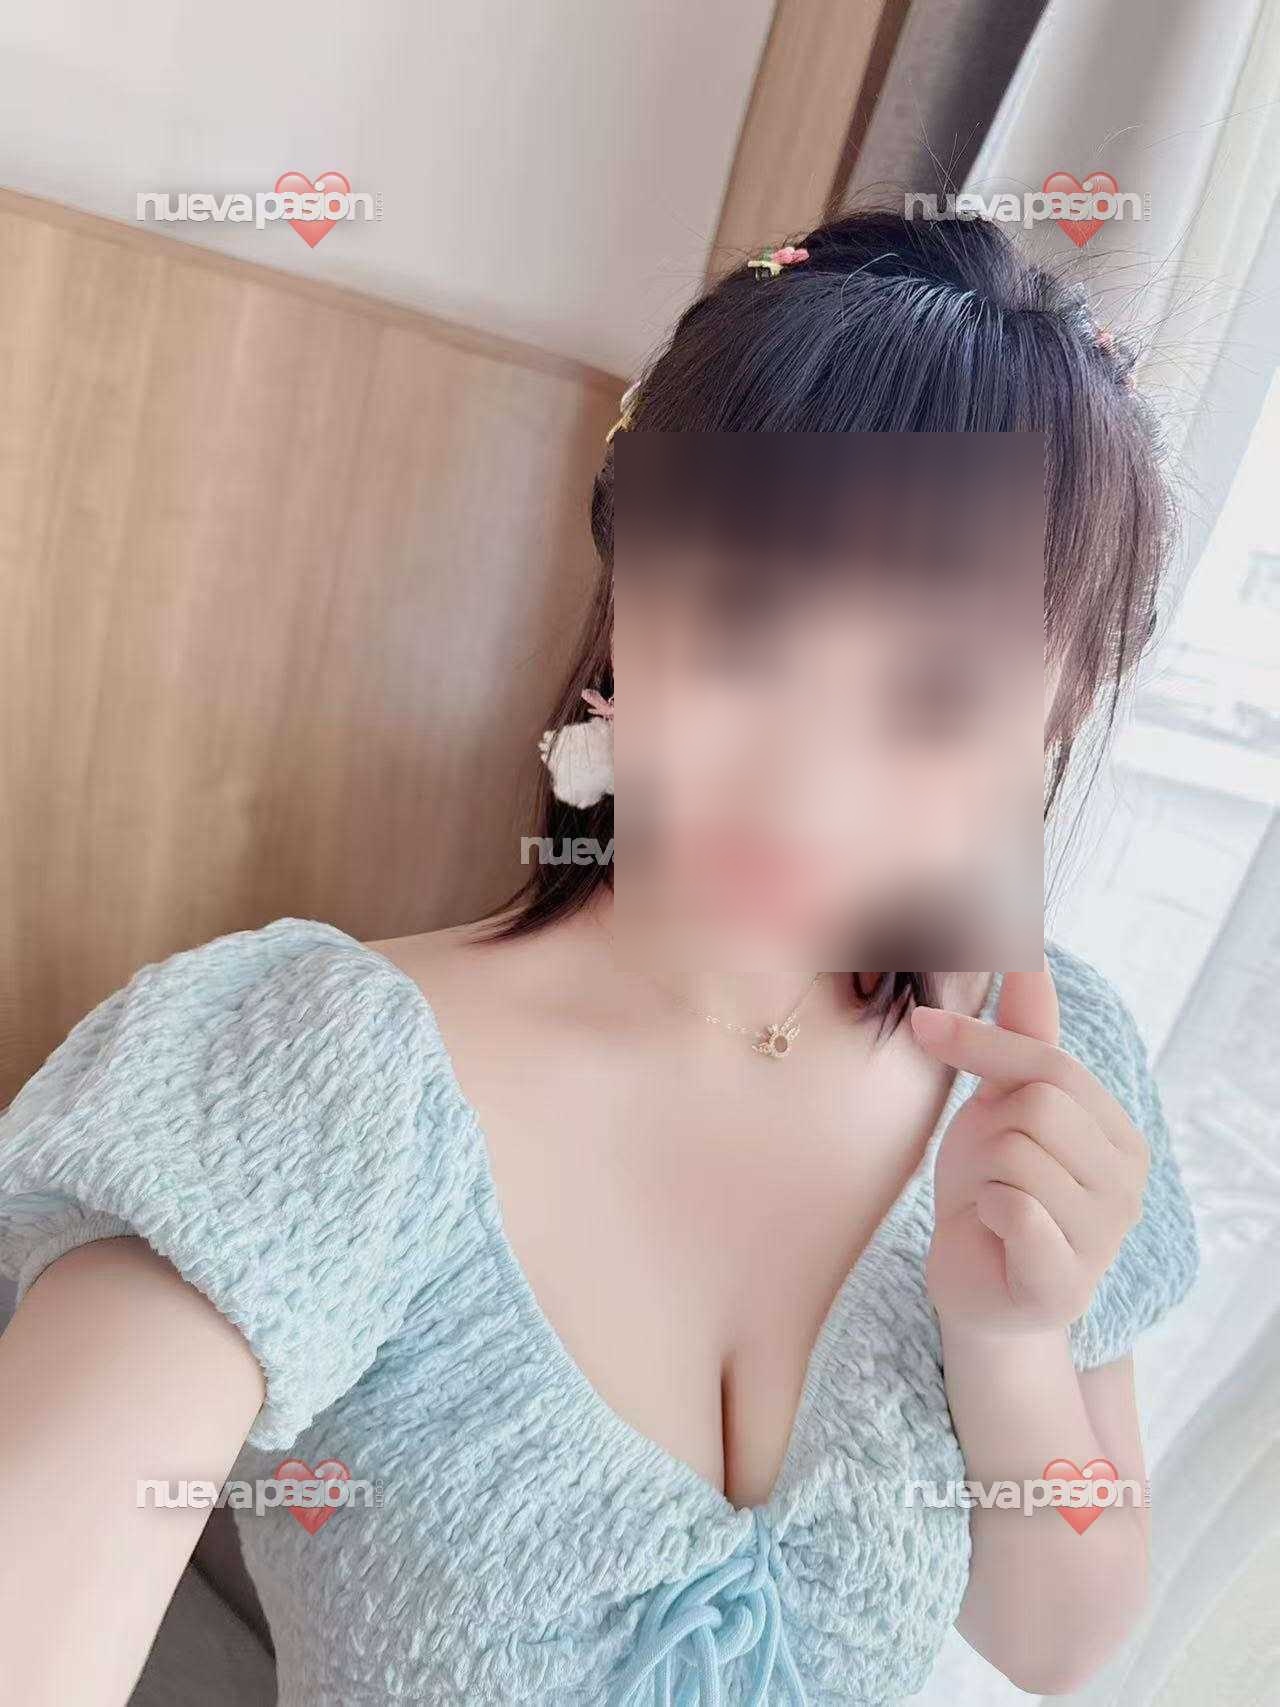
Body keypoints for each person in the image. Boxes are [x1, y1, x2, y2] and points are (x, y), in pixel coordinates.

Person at [0, 212, 1198, 1706]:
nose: (809, 781)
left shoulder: (1049, 1072)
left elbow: (1058, 1641)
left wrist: (1008, 1338)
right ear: (629, 588)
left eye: (938, 696)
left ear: (1059, 716)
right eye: (747, 625)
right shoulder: (321, 1072)